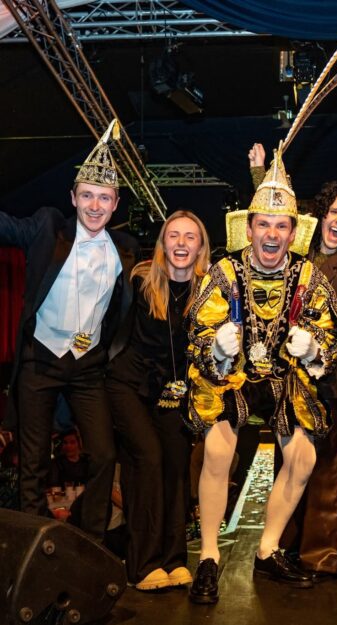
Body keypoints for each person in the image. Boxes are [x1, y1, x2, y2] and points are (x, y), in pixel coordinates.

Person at [187, 147, 337, 604]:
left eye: (281, 226)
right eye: (264, 225)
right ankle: (209, 557)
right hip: (233, 377)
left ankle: (268, 549)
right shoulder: (225, 271)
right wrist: (217, 347)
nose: (272, 234)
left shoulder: (309, 276)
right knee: (218, 451)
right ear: (250, 228)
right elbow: (198, 331)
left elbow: (331, 338)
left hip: (284, 380)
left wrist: (313, 348)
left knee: (303, 458)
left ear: (293, 233)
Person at [248, 142, 337, 578]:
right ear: (320, 215)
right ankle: (280, 549)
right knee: (289, 467)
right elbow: (270, 222)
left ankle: (322, 557)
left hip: (332, 383)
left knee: (326, 470)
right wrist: (260, 175)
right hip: (288, 379)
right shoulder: (298, 253)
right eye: (334, 212)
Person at [0, 119, 139, 540]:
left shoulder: (125, 250)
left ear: (116, 204)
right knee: (33, 463)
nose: (95, 206)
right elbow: (8, 226)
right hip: (40, 360)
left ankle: (89, 541)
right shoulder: (47, 228)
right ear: (73, 197)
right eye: (88, 196)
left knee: (104, 455)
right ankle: (34, 545)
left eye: (104, 197)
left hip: (87, 367)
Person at [106, 210, 210, 590]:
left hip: (173, 391)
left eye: (190, 236)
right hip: (128, 385)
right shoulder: (139, 281)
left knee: (176, 463)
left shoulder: (208, 293)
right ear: (163, 243)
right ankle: (143, 565)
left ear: (200, 247)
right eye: (173, 235)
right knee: (147, 458)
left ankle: (174, 559)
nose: (181, 243)